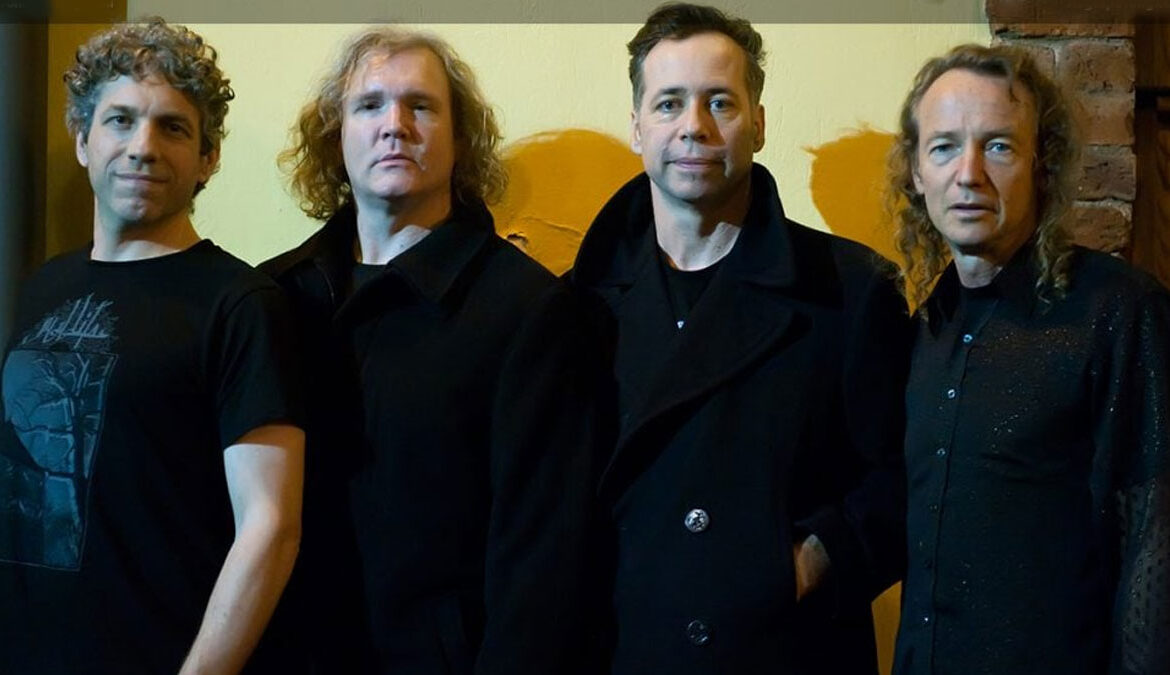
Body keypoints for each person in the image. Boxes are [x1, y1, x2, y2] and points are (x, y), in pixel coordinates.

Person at [568, 4, 912, 672]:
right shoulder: (573, 306)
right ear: (637, 127)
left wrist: (814, 559)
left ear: (758, 122)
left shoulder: (849, 290)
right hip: (627, 650)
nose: (694, 126)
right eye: (669, 103)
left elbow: (906, 476)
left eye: (719, 102)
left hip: (784, 649)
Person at [261, 28, 599, 674]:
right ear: (336, 136)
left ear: (460, 138)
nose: (396, 125)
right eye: (370, 105)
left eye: (421, 106)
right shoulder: (272, 297)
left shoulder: (525, 308)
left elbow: (542, 556)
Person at [0, 19, 305, 675]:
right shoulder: (45, 285)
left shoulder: (240, 304)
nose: (142, 147)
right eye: (120, 120)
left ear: (208, 157)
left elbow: (271, 527)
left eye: (172, 127)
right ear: (82, 140)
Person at [889, 43, 1170, 675]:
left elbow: (1156, 542)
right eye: (943, 147)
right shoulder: (925, 328)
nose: (968, 174)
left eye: (998, 146)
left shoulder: (1118, 311)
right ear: (916, 172)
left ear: (1042, 165)